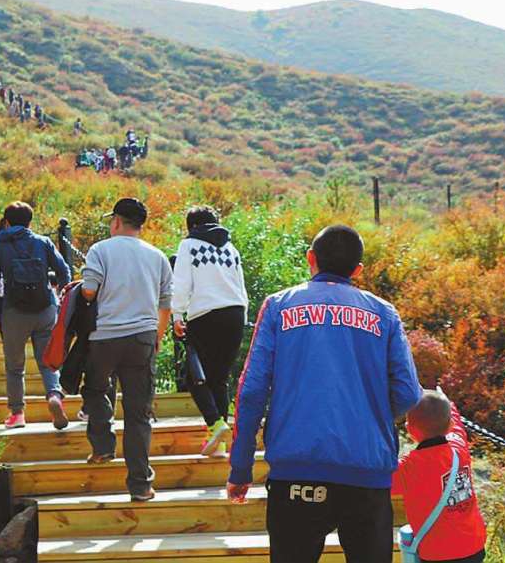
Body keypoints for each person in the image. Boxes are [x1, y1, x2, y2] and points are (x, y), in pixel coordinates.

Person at [227, 224, 423, 563]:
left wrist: (241, 468)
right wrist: (368, 414)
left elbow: (251, 391)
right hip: (367, 474)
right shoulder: (384, 314)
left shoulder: (278, 306)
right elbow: (407, 393)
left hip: (296, 474)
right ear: (358, 270)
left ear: (310, 259)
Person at [80, 198, 172, 501]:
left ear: (117, 221)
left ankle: (104, 444)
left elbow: (89, 290)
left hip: (104, 337)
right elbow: (165, 304)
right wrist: (156, 337)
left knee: (94, 389)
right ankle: (141, 485)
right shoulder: (157, 256)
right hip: (142, 339)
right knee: (138, 415)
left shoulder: (101, 250)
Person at [0, 202, 72, 430]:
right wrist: (60, 294)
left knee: (15, 365)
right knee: (48, 361)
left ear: (7, 222)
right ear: (30, 222)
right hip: (45, 308)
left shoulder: (0, 245)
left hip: (14, 311)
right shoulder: (43, 242)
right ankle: (54, 395)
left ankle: (17, 414)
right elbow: (64, 271)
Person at [170, 206, 248, 457]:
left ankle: (215, 423)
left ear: (191, 226)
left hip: (205, 315)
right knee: (219, 379)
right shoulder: (231, 249)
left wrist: (177, 314)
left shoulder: (189, 245)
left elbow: (181, 282)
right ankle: (219, 444)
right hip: (235, 314)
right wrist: (242, 317)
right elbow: (241, 286)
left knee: (194, 377)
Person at [393, 389, 487, 563]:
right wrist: (446, 401)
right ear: (449, 424)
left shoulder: (409, 467)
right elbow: (456, 424)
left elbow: (379, 480)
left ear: (410, 430)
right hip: (474, 546)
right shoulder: (459, 447)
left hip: (437, 553)